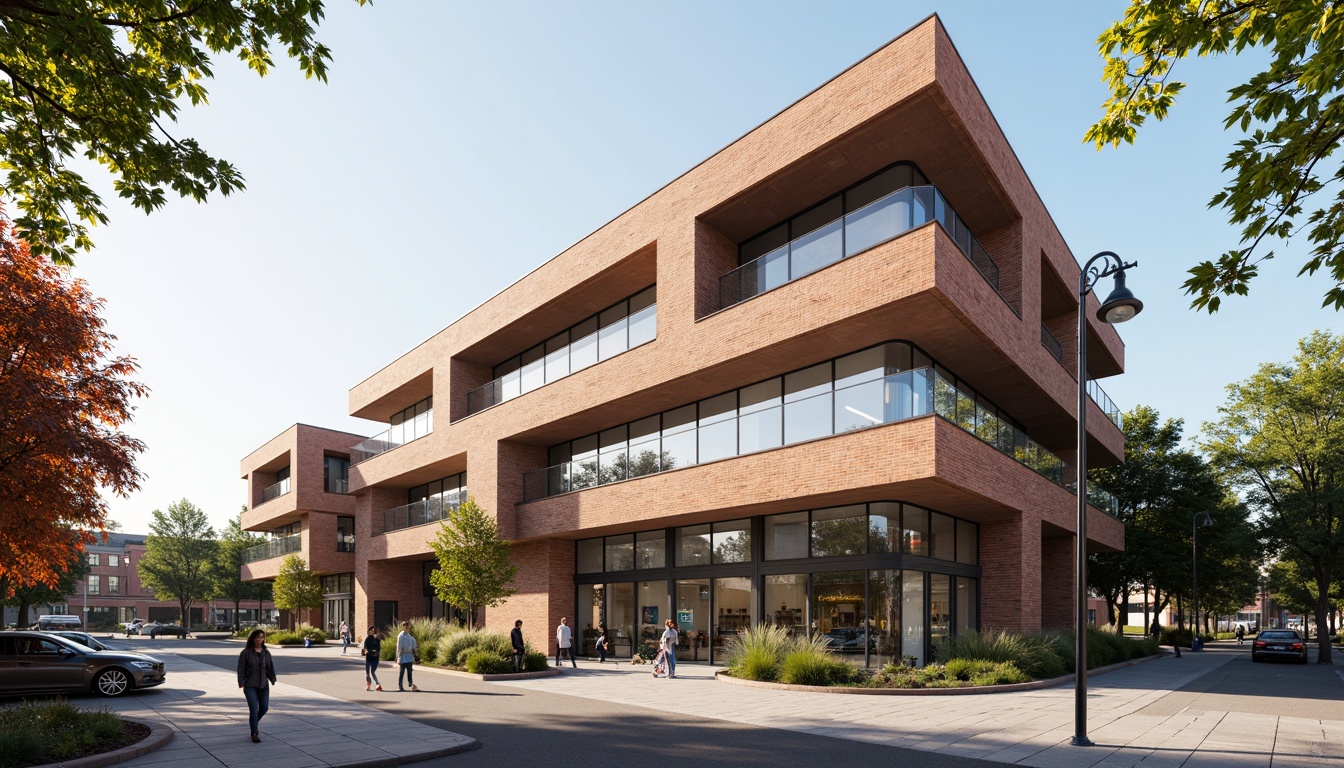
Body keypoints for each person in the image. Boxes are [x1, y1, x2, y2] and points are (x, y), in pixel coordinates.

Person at [237, 628, 277, 743]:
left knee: (264, 708)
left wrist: (273, 678)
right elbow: (241, 669)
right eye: (258, 637)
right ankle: (254, 732)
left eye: (262, 637)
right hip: (250, 685)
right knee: (254, 709)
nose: (260, 639)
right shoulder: (246, 653)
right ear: (253, 638)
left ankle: (253, 723)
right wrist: (241, 681)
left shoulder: (266, 653)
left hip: (263, 685)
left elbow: (270, 667)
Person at [396, 620, 420, 691]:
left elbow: (414, 646)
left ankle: (410, 684)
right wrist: (399, 657)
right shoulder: (400, 636)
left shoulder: (410, 636)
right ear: (402, 627)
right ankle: (400, 686)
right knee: (402, 672)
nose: (406, 627)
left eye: (407, 626)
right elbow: (399, 647)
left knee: (409, 672)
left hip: (409, 656)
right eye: (405, 625)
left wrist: (413, 655)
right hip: (403, 656)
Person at [362, 627, 384, 691]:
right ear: (369, 632)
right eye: (371, 631)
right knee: (367, 673)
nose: (372, 632)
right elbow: (365, 647)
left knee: (373, 672)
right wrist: (367, 652)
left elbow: (378, 648)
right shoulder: (368, 639)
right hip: (369, 657)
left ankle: (378, 684)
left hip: (375, 658)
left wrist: (376, 653)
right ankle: (369, 684)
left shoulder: (377, 640)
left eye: (373, 631)